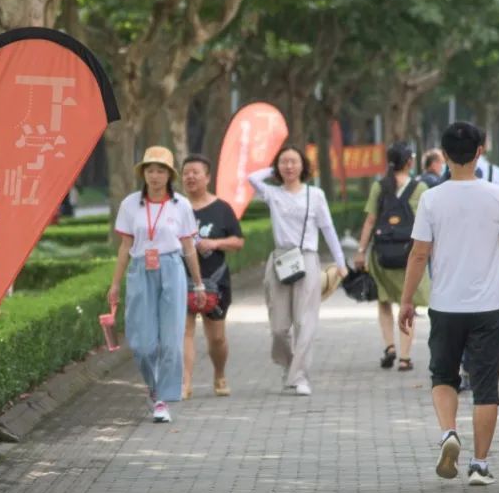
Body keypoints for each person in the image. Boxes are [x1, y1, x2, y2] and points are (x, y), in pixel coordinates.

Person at [399, 122, 499, 486]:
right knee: (485, 386)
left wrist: (406, 301)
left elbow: (419, 254)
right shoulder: (498, 195)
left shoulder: (432, 198)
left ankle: (449, 432)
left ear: (445, 155)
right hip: (487, 307)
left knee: (443, 375)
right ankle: (480, 465)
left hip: (445, 305)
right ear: (480, 152)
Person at [109, 146, 207, 424]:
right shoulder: (130, 204)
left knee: (172, 342)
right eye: (150, 170)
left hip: (172, 269)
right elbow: (125, 246)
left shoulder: (181, 205)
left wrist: (198, 284)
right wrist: (115, 284)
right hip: (141, 270)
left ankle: (162, 399)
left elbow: (189, 246)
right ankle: (154, 388)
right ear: (143, 173)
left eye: (160, 171)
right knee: (142, 345)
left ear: (169, 175)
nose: (154, 176)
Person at [248, 145, 348, 396]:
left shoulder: (315, 195)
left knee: (305, 322)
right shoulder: (272, 193)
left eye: (294, 161)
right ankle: (288, 365)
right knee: (279, 328)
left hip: (307, 258)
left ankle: (300, 376)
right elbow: (251, 178)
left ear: (304, 165)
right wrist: (273, 169)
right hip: (280, 260)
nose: (289, 166)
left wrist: (340, 262)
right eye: (284, 162)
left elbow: (328, 229)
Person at [354, 142, 430, 372]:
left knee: (384, 300)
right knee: (408, 304)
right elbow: (427, 222)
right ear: (409, 162)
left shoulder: (380, 186)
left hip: (382, 255)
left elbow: (370, 221)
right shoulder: (420, 188)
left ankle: (389, 347)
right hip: (409, 254)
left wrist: (361, 251)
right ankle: (405, 357)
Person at [180, 154, 244, 399]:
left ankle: (219, 374)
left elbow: (238, 242)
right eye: (186, 173)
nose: (190, 177)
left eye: (195, 172)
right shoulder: (176, 207)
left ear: (207, 177)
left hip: (215, 283)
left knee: (216, 338)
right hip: (182, 279)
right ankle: (185, 383)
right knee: (184, 332)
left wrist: (214, 243)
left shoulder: (222, 209)